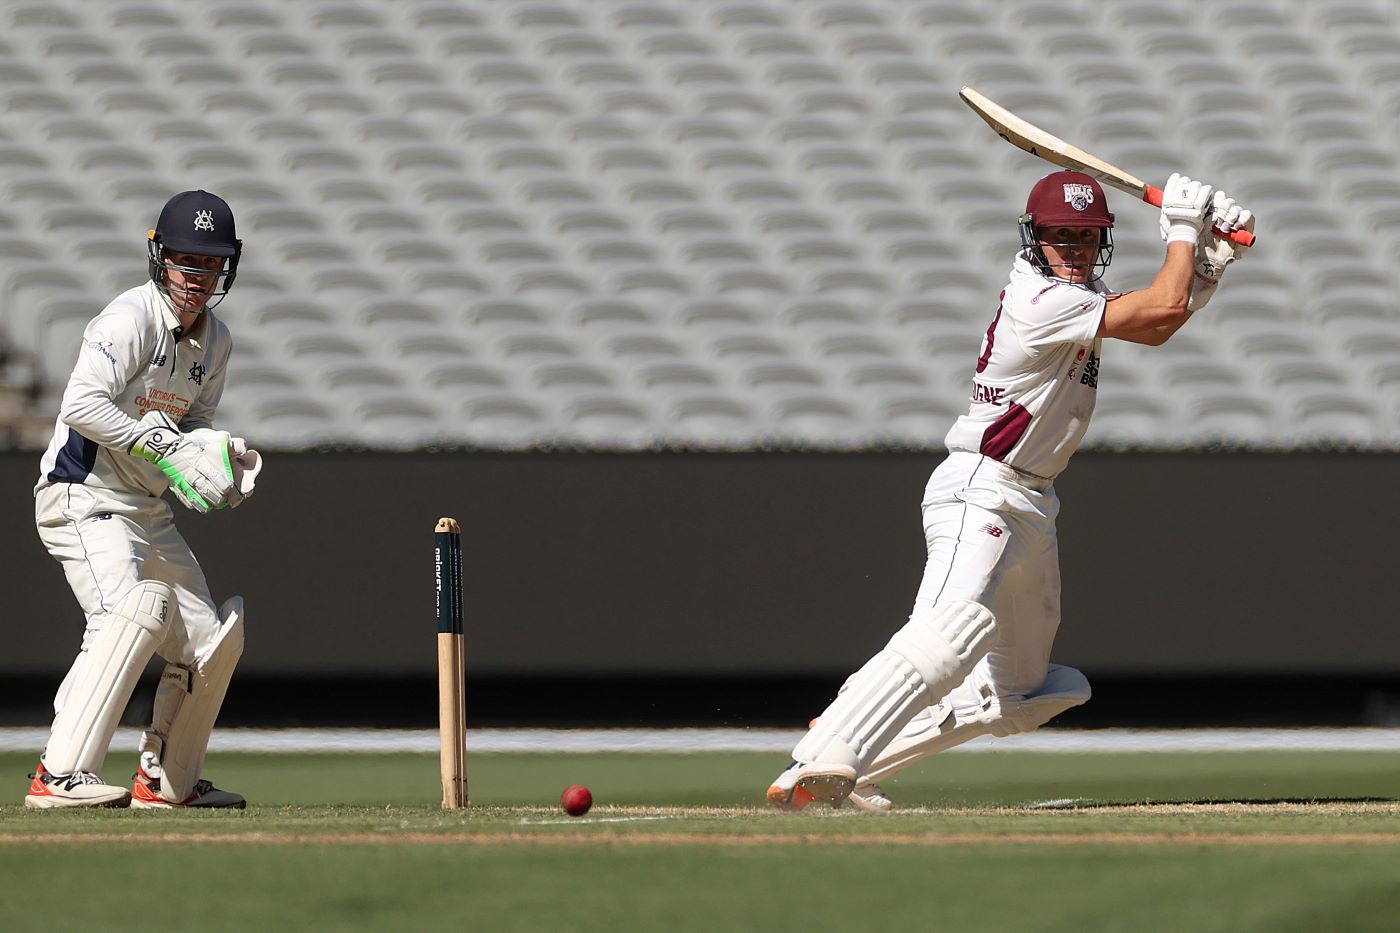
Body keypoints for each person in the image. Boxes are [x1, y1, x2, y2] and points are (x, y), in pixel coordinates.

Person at [768, 170, 1255, 811]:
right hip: (982, 490)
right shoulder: (1040, 302)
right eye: (1062, 237)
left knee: (1029, 693)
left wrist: (1210, 266)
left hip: (1033, 504)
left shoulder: (1078, 295)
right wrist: (1186, 231)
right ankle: (822, 755)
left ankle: (852, 754)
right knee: (950, 630)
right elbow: (1160, 307)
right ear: (1035, 238)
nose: (1075, 249)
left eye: (1088, 236)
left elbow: (1157, 325)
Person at [26, 190, 261, 809]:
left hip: (147, 511)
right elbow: (79, 405)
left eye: (208, 265)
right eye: (185, 261)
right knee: (125, 613)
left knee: (207, 642)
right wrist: (158, 444)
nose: (195, 277)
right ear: (160, 259)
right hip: (83, 496)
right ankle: (58, 775)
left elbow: (196, 424)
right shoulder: (128, 319)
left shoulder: (217, 342)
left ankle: (163, 780)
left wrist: (213, 458)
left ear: (225, 269)